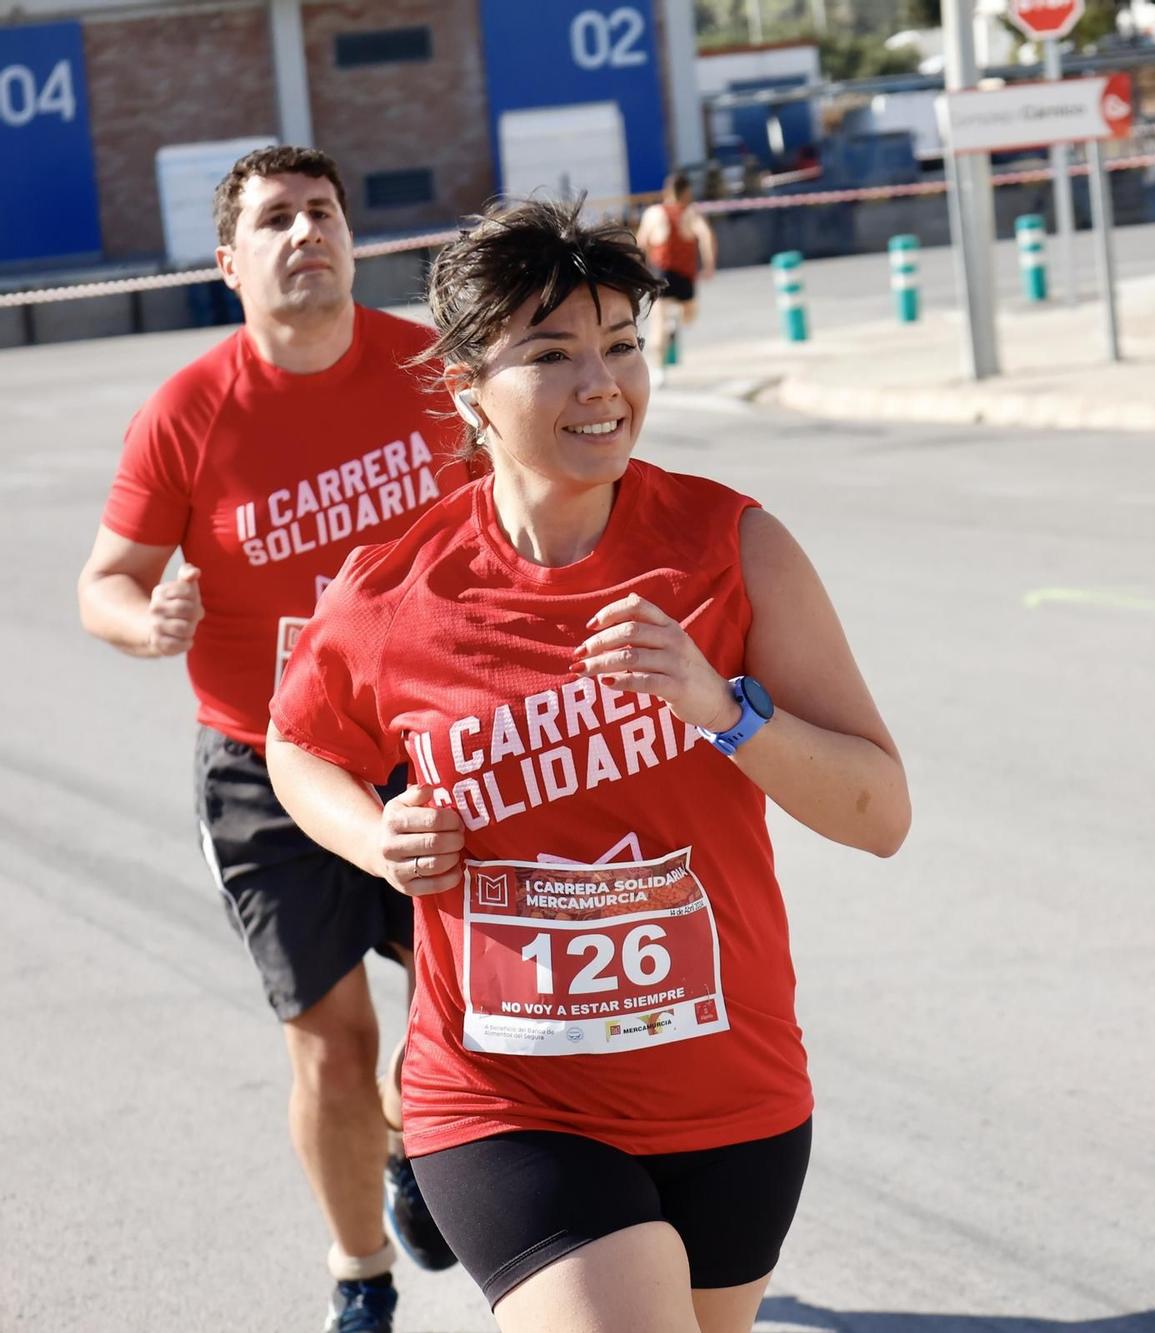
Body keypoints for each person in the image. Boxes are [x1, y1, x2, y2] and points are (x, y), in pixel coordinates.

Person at [263, 198, 911, 1333]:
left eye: (620, 346)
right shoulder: (395, 590)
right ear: (467, 386)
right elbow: (297, 742)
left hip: (730, 1091)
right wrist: (375, 836)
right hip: (504, 1095)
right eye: (551, 355)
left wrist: (723, 711)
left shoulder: (731, 547)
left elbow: (878, 812)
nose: (600, 384)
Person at [76, 146, 455, 1331]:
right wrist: (148, 621)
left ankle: (417, 1133)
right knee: (335, 1046)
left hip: (431, 749)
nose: (306, 233)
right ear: (229, 264)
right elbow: (105, 581)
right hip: (267, 760)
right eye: (276, 219)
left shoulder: (433, 370)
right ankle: (360, 1277)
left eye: (323, 212)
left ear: (352, 239)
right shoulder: (189, 412)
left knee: (464, 1012)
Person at [635, 172, 717, 386]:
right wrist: (708, 265)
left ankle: (659, 368)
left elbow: (642, 242)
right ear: (686, 192)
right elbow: (706, 235)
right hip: (684, 276)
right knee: (689, 315)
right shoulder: (690, 214)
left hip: (662, 273)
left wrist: (638, 269)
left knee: (658, 323)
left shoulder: (653, 213)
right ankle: (675, 321)